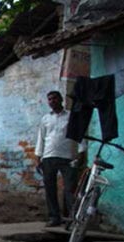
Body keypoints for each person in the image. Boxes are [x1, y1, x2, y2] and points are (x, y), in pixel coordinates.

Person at [36, 90, 84, 227]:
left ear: (61, 99)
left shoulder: (71, 117)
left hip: (67, 157)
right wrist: (38, 157)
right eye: (50, 99)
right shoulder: (45, 119)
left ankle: (73, 218)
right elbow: (41, 138)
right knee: (50, 189)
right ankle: (54, 217)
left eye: (55, 98)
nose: (52, 101)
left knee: (70, 189)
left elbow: (79, 134)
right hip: (48, 156)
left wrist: (81, 152)